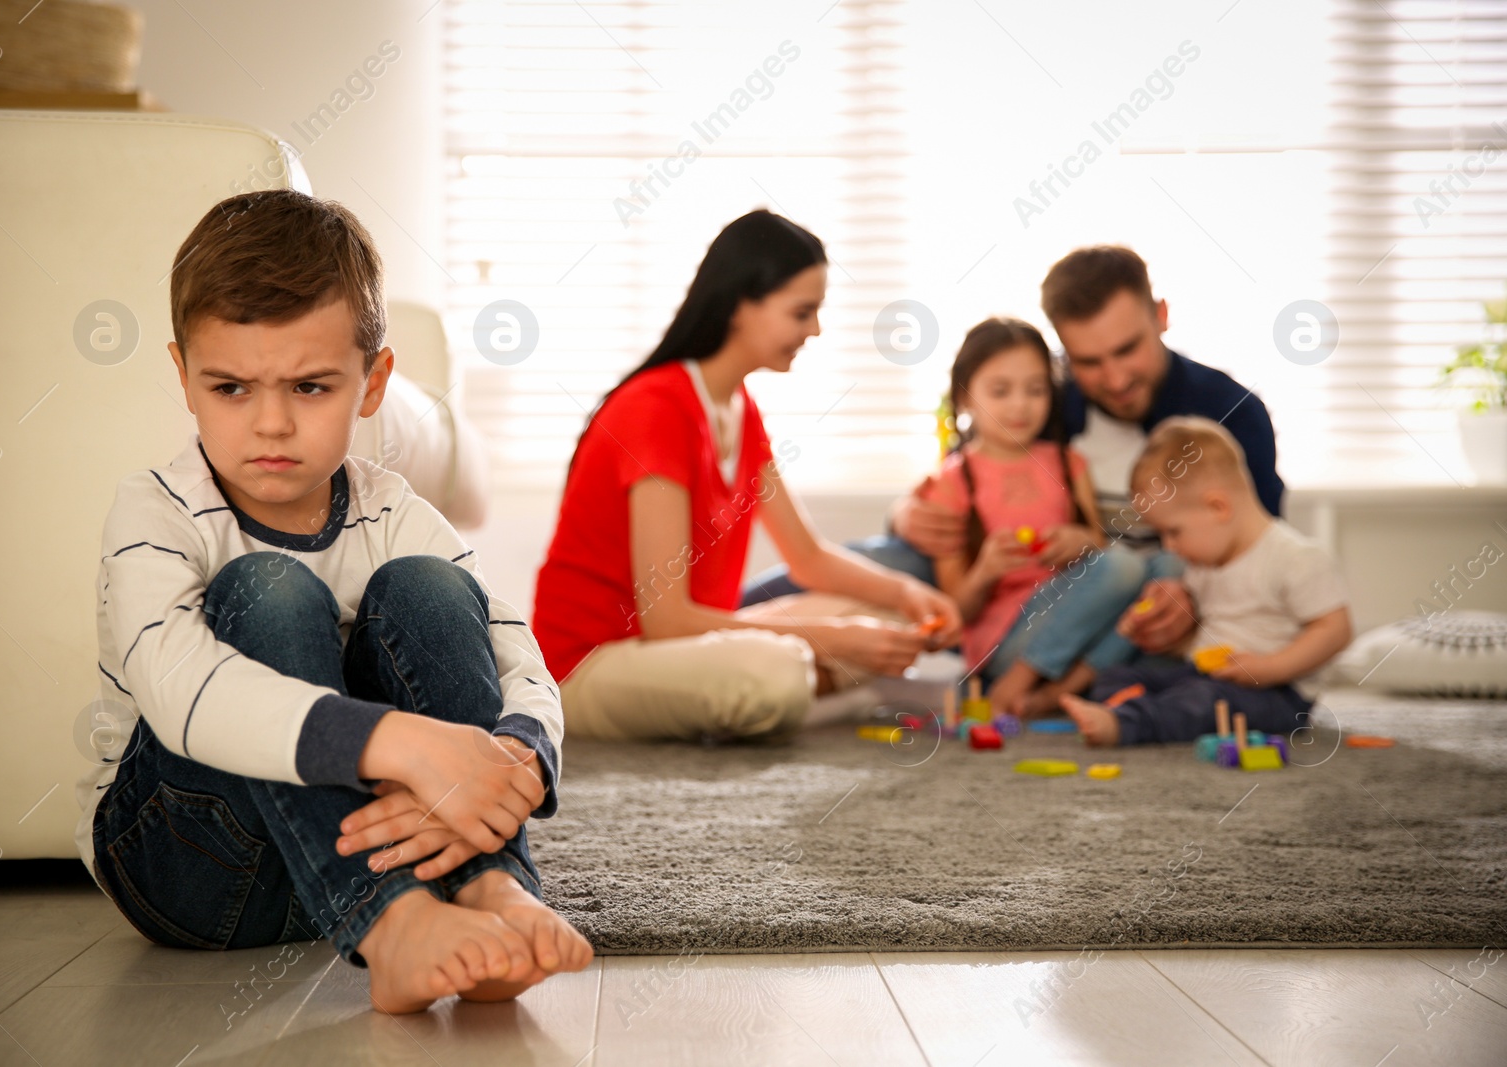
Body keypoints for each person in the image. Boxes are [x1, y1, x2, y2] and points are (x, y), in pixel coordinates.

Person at [76, 190, 591, 1016]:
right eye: (232, 388)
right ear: (184, 377)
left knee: (430, 588)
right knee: (267, 591)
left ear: (374, 381)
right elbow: (177, 694)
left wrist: (519, 756)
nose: (271, 424)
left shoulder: (395, 511)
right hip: (198, 869)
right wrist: (407, 743)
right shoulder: (156, 510)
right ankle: (391, 933)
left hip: (365, 845)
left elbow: (516, 654)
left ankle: (487, 887)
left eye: (311, 387)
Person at [741, 245, 1286, 718]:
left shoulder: (1231, 414)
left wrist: (1188, 595)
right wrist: (909, 511)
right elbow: (973, 475)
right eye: (1089, 361)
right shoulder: (1052, 401)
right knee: (895, 553)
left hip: (1152, 594)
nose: (1115, 379)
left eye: (1128, 350)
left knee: (1169, 608)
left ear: (1162, 316)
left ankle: (1056, 687)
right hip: (1031, 592)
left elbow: (1260, 544)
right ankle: (725, 616)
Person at [531, 209, 962, 742]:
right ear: (740, 305)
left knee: (886, 619)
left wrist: (906, 593)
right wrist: (832, 639)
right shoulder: (657, 408)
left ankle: (806, 694)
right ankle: (814, 695)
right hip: (592, 665)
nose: (816, 329)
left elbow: (807, 557)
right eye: (802, 312)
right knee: (776, 671)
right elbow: (666, 619)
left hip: (681, 649)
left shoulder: (741, 409)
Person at [1060, 418, 1351, 745]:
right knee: (1118, 677)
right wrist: (1152, 619)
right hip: (1206, 673)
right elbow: (1194, 630)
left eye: (1173, 531)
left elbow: (1335, 630)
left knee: (1202, 701)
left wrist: (1269, 668)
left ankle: (1129, 724)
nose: (1168, 546)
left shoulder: (1295, 557)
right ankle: (1135, 708)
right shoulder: (1203, 563)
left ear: (1218, 507)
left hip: (1276, 692)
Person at [918, 317, 1112, 684]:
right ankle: (1021, 683)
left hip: (1074, 622)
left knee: (1150, 570)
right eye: (1000, 391)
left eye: (1036, 390)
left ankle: (1048, 695)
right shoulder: (951, 482)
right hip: (1005, 641)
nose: (1020, 406)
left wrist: (1085, 542)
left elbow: (1101, 550)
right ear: (964, 397)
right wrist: (987, 571)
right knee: (1124, 570)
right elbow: (955, 610)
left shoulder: (1070, 463)